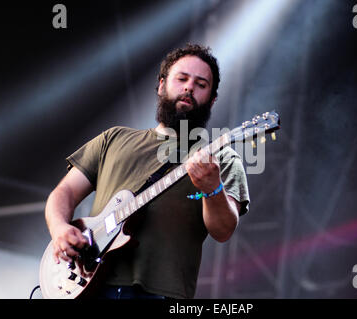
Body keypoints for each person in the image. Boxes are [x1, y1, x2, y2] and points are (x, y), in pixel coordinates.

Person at [44, 43, 250, 299]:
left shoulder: (220, 158)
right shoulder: (114, 138)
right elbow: (64, 192)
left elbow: (223, 230)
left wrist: (213, 188)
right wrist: (59, 228)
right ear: (162, 84)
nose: (189, 88)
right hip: (87, 284)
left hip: (161, 293)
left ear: (212, 99)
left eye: (201, 84)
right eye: (182, 78)